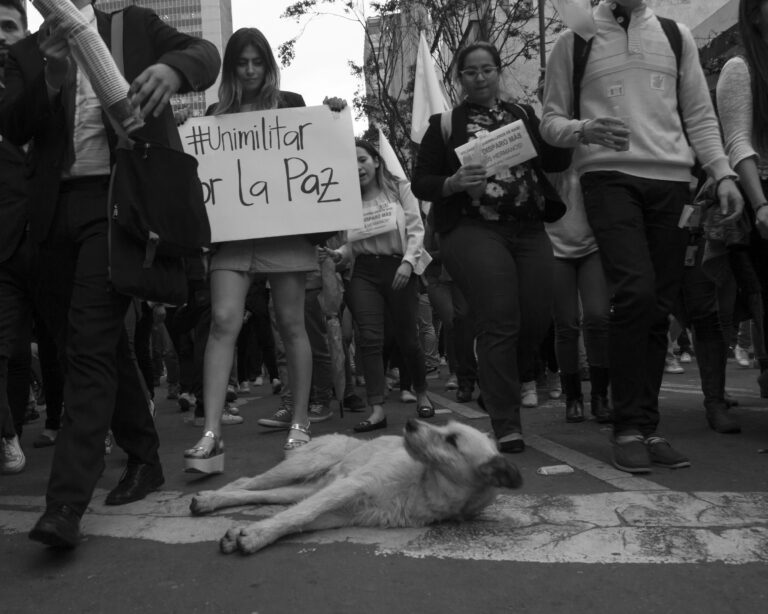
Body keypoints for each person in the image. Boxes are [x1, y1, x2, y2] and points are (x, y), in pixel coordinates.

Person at [0, 0, 220, 548]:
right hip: (51, 216)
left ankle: (67, 502)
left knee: (91, 347)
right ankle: (145, 457)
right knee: (87, 344)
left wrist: (172, 70)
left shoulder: (134, 25)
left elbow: (206, 54)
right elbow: (12, 124)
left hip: (121, 207)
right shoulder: (28, 49)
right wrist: (50, 78)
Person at [540, 0, 744, 473]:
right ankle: (626, 426)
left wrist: (723, 173)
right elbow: (549, 123)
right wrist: (584, 129)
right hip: (607, 179)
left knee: (659, 303)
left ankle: (647, 428)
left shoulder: (677, 36)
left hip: (673, 184)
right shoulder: (573, 43)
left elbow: (699, 115)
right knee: (635, 290)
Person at [183, 27, 341, 473]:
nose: (250, 71)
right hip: (233, 235)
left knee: (292, 324)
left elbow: (318, 149)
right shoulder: (215, 115)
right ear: (232, 68)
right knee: (222, 321)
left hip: (285, 232)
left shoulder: (291, 104)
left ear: (268, 65)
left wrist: (331, 114)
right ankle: (211, 433)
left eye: (257, 62)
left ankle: (300, 421)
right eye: (241, 62)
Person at [411, 41, 570, 453]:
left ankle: (495, 385)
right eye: (470, 71)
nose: (480, 77)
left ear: (498, 72)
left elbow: (554, 162)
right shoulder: (444, 123)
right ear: (459, 78)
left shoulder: (522, 114)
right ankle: (506, 421)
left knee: (535, 318)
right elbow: (422, 181)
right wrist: (453, 183)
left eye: (487, 69)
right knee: (500, 319)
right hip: (473, 229)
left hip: (530, 228)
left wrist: (563, 118)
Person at [325, 138, 434, 432]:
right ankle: (377, 409)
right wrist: (339, 255)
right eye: (351, 162)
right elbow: (351, 245)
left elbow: (416, 229)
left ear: (375, 161)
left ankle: (422, 392)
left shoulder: (400, 189)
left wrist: (409, 262)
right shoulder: (349, 201)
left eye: (361, 159)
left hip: (399, 268)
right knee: (369, 339)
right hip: (364, 273)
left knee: (408, 338)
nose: (357, 167)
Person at [716, 0, 768, 397]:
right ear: (754, 14)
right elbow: (737, 143)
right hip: (761, 194)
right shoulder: (740, 68)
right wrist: (762, 204)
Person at [0, 0, 28, 474]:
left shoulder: (56, 79)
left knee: (78, 345)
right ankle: (8, 433)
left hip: (52, 236)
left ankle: (132, 441)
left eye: (8, 26)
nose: (0, 36)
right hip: (4, 247)